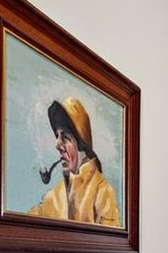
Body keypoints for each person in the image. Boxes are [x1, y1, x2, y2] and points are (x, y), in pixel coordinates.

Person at [29, 97, 121, 227]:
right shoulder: (55, 195)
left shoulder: (102, 191)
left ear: (82, 145)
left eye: (65, 137)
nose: (57, 145)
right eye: (57, 136)